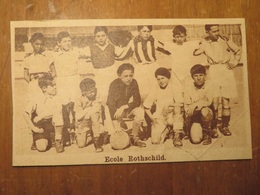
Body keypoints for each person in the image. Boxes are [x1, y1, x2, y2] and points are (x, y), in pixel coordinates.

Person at [194, 24, 242, 136]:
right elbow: (195, 52)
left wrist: (234, 62)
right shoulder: (204, 42)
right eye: (214, 31)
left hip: (226, 70)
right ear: (208, 32)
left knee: (225, 100)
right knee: (214, 101)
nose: (217, 33)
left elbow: (238, 51)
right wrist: (201, 42)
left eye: (217, 30)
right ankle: (214, 127)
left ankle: (225, 126)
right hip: (214, 70)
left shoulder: (225, 40)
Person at [50, 31, 82, 147]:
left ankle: (76, 132)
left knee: (75, 107)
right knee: (64, 108)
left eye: (69, 41)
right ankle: (66, 133)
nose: (68, 43)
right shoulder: (54, 55)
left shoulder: (76, 52)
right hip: (62, 81)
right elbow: (51, 67)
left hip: (74, 80)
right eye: (64, 41)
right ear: (59, 43)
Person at [106, 63, 146, 148]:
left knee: (140, 111)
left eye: (131, 75)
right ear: (119, 76)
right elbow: (110, 104)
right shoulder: (114, 84)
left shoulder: (134, 82)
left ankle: (134, 137)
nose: (129, 79)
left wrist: (124, 107)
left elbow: (137, 101)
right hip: (115, 112)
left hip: (125, 109)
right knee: (117, 139)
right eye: (126, 76)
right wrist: (115, 124)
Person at [23, 73, 64, 152]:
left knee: (57, 113)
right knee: (42, 148)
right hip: (40, 125)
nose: (55, 87)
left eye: (55, 85)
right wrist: (34, 128)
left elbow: (57, 111)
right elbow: (25, 113)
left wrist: (40, 116)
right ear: (44, 88)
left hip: (53, 123)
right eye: (53, 85)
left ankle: (58, 139)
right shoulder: (36, 98)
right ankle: (45, 138)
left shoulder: (57, 97)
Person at [143, 67, 184, 146]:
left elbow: (181, 104)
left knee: (177, 108)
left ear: (168, 78)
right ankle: (168, 130)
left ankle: (177, 134)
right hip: (160, 116)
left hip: (172, 116)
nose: (161, 81)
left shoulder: (174, 87)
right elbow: (146, 107)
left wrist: (169, 105)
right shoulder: (155, 88)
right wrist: (153, 119)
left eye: (163, 78)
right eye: (158, 79)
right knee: (155, 141)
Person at [164, 25, 206, 91]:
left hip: (187, 71)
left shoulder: (189, 45)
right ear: (174, 37)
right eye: (177, 37)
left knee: (188, 89)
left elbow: (203, 42)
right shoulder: (172, 46)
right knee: (177, 90)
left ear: (185, 36)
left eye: (181, 36)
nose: (179, 39)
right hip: (176, 71)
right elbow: (161, 46)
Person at [184, 64, 215, 145]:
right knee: (196, 140)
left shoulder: (209, 85)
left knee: (204, 110)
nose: (198, 78)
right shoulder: (188, 87)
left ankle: (207, 134)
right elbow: (187, 106)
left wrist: (196, 104)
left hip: (207, 113)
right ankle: (194, 128)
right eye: (196, 76)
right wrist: (192, 109)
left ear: (205, 75)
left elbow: (209, 101)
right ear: (192, 77)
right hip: (195, 116)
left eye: (201, 75)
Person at [74, 78, 107, 152]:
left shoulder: (98, 93)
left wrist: (89, 111)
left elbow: (99, 108)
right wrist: (88, 110)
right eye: (90, 92)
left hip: (95, 120)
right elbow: (78, 116)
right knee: (81, 145)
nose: (93, 93)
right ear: (83, 92)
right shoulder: (78, 98)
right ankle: (88, 134)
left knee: (94, 113)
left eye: (93, 90)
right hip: (84, 122)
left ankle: (96, 139)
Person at [23, 32, 52, 101]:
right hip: (33, 84)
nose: (39, 46)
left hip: (45, 85)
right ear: (32, 44)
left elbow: (53, 72)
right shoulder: (28, 58)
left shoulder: (47, 56)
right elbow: (25, 75)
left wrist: (46, 81)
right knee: (33, 105)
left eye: (41, 44)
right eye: (37, 44)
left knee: (45, 105)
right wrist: (32, 83)